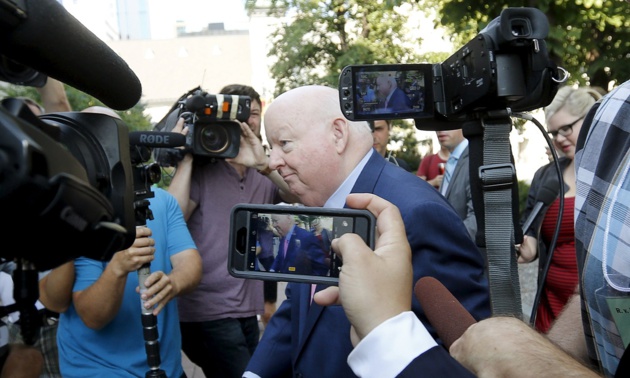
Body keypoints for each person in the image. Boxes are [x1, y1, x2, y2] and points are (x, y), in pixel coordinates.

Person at [243, 85, 490, 377]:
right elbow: (300, 305)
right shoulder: (321, 203)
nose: (273, 162)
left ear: (338, 134)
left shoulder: (417, 213)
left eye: (284, 143)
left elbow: (464, 348)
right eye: (271, 148)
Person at [168, 84, 299, 378]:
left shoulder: (264, 170)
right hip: (204, 310)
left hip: (245, 308)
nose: (245, 122)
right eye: (237, 114)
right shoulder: (203, 169)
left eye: (252, 114)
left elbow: (299, 196)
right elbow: (171, 218)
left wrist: (264, 166)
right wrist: (187, 155)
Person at [518, 86, 602, 333]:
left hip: (597, 312)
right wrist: (525, 247)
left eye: (566, 128)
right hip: (550, 308)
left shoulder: (612, 174)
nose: (559, 139)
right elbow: (531, 234)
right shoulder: (546, 176)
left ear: (591, 119)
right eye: (553, 133)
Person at [438, 128, 476, 241]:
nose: (439, 129)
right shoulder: (454, 159)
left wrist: (444, 242)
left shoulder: (475, 158)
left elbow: (477, 219)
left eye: (447, 121)